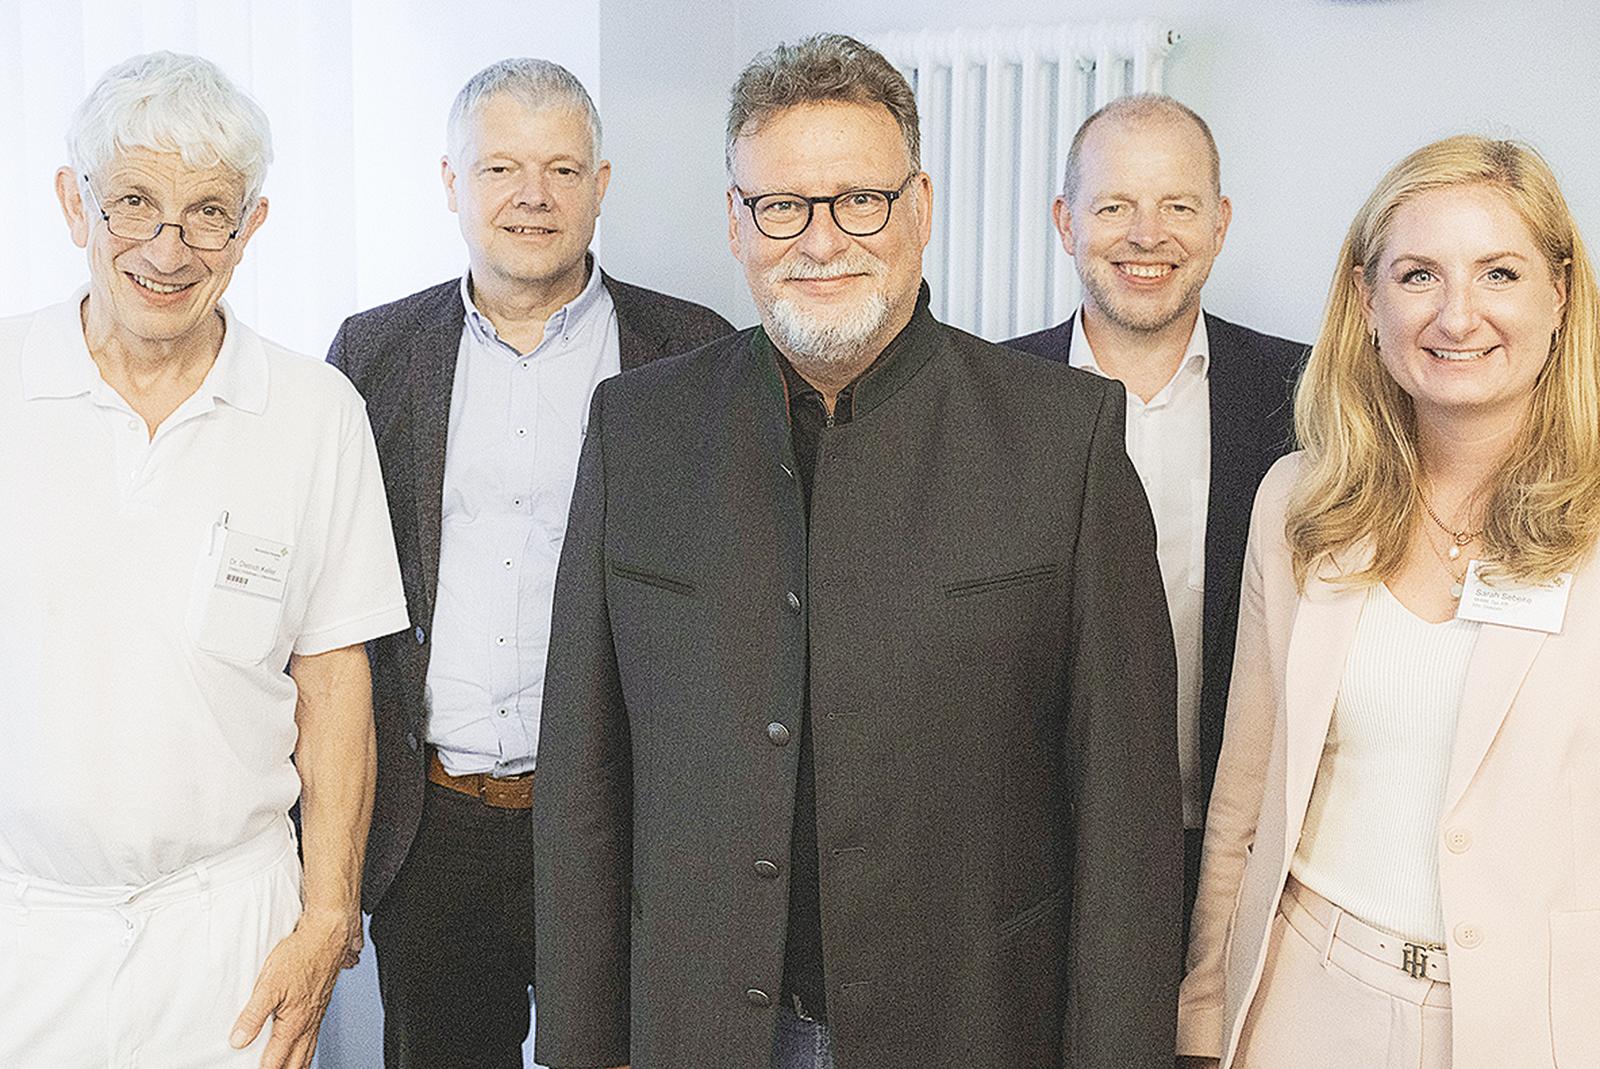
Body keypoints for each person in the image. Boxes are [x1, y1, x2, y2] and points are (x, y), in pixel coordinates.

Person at [532, 33, 1181, 1069]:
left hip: (971, 1029)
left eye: (860, 201)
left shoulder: (1065, 440)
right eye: (781, 206)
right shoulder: (636, 431)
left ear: (919, 208)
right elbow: (582, 786)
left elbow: (1126, 824)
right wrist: (579, 1045)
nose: (821, 240)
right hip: (700, 1029)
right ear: (735, 222)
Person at [0, 52, 407, 1069]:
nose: (167, 248)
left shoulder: (316, 412)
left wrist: (328, 919)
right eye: (134, 203)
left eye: (208, 213)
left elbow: (334, 681)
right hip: (23, 926)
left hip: (230, 934)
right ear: (74, 204)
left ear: (252, 226)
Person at [327, 57, 731, 1068]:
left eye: (561, 169)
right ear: (451, 183)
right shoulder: (373, 355)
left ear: (601, 186)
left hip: (620, 824)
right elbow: (328, 599)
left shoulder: (694, 351)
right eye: (500, 167)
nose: (532, 196)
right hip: (436, 826)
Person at [1177, 135, 1600, 1069]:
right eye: (1418, 275)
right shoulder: (1300, 501)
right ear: (1367, 300)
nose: (1458, 315)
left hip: (1542, 1023)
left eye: (1499, 272)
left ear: (1561, 296)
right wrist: (1204, 1011)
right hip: (1305, 1000)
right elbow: (1243, 793)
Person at [1006, 95, 1304, 926]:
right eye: (1114, 207)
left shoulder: (1307, 398)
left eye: (1178, 206)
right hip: (1035, 858)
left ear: (1220, 223)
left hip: (1238, 853)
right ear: (1066, 222)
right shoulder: (985, 400)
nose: (1147, 235)